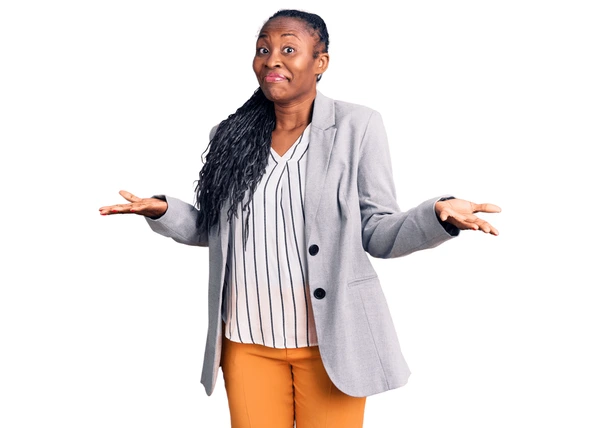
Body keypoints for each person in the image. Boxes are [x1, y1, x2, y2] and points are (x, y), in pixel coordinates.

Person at [99, 8, 501, 428]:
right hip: (246, 341)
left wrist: (437, 215)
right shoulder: (229, 136)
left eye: (288, 49)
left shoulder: (357, 126)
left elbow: (377, 231)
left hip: (332, 343)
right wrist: (164, 210)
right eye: (263, 49)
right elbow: (216, 229)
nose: (272, 59)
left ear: (320, 62)